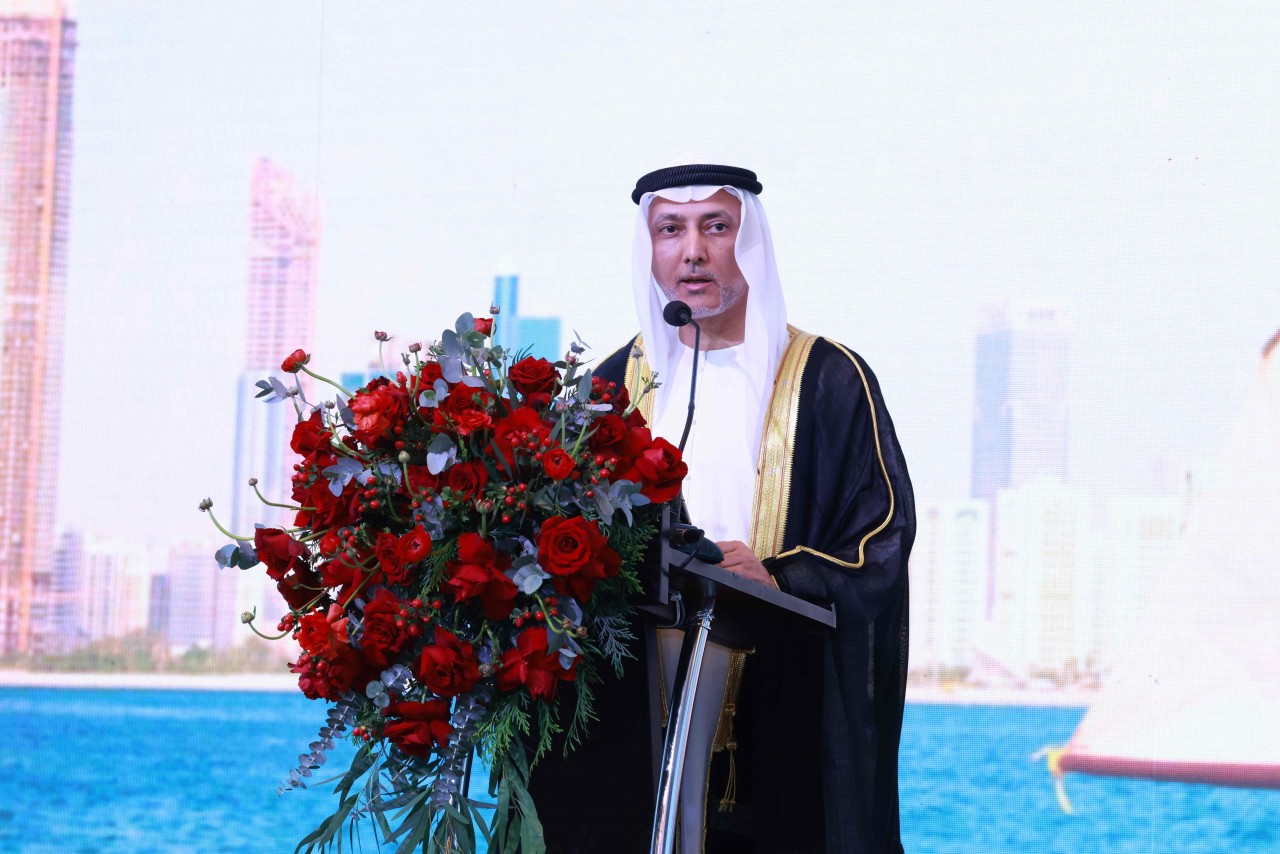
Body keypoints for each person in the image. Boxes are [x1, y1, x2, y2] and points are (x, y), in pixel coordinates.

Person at [529, 164, 915, 854]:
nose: (693, 251)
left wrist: (781, 576)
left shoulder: (828, 378)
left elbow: (881, 535)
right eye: (670, 229)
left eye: (716, 226)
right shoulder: (610, 388)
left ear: (750, 242)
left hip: (782, 709)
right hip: (630, 721)